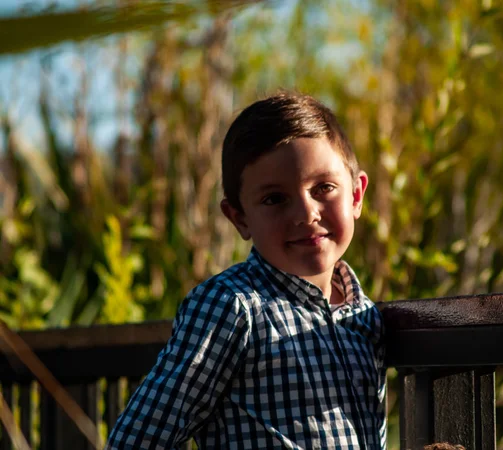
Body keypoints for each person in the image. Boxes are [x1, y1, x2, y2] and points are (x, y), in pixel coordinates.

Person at [105, 92, 387, 449]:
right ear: (239, 218)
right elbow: (137, 440)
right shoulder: (230, 306)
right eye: (274, 199)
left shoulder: (364, 318)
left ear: (356, 196)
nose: (306, 213)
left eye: (324, 188)